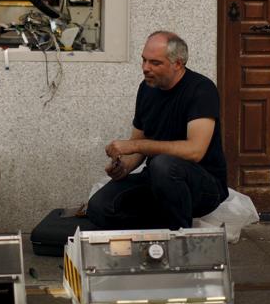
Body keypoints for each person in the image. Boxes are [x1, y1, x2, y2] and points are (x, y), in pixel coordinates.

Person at [87, 31, 228, 230]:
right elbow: (138, 146)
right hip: (158, 180)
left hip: (204, 186)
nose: (145, 68)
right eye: (143, 60)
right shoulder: (146, 88)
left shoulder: (201, 90)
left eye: (155, 63)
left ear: (178, 64)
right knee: (99, 207)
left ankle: (180, 241)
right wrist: (123, 166)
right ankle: (160, 234)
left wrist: (136, 145)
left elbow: (195, 151)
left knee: (164, 164)